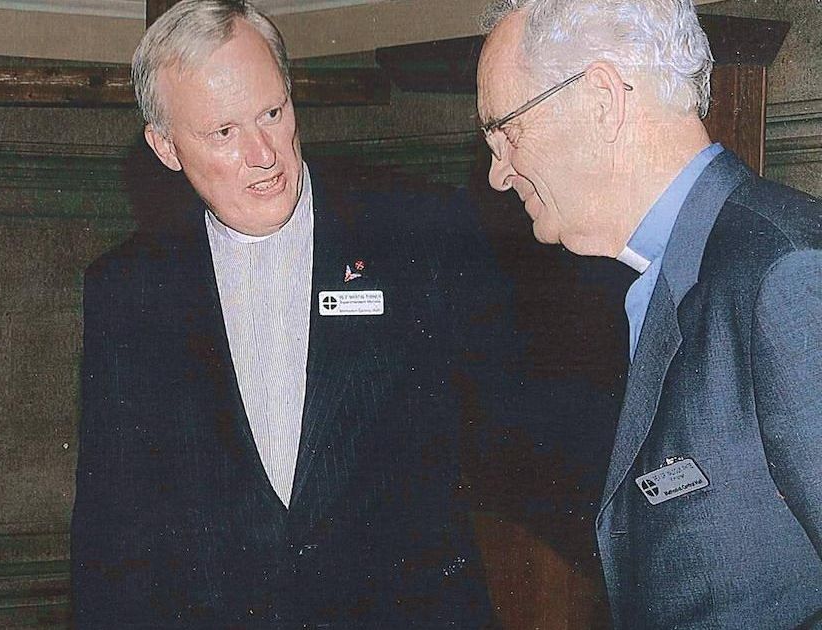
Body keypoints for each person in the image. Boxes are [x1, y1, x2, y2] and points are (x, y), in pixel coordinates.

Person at [72, 1, 493, 626]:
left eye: (273, 113)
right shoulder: (127, 290)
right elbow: (112, 530)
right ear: (164, 147)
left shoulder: (415, 229)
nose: (264, 153)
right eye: (224, 133)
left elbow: (513, 425)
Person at [477, 0, 822, 627]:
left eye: (506, 130)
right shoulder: (668, 276)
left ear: (603, 98)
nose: (499, 173)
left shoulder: (787, 274)